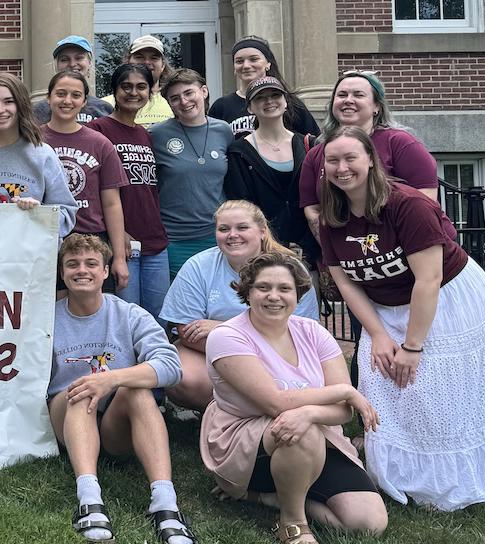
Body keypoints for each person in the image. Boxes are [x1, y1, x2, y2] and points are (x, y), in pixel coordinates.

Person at [319, 127, 485, 511]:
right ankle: (403, 475)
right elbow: (347, 285)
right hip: (384, 306)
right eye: (333, 160)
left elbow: (428, 280)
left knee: (436, 384)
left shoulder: (407, 204)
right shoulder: (332, 217)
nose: (342, 168)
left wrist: (413, 346)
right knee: (384, 378)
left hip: (445, 296)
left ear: (370, 161)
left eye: (350, 158)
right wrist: (377, 335)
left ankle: (457, 478)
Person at [201, 252, 387, 543]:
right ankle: (293, 522)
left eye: (284, 289)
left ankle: (268, 497)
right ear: (247, 291)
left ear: (297, 294)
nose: (274, 296)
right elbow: (275, 403)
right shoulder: (227, 336)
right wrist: (345, 391)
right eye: (263, 287)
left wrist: (312, 412)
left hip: (317, 435)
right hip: (245, 440)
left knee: (367, 523)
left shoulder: (314, 332)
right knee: (299, 427)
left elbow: (343, 412)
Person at [47, 234, 195, 544]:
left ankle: (165, 504)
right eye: (72, 264)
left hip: (116, 424)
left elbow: (171, 366)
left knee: (137, 390)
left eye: (91, 263)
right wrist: (95, 382)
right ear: (62, 273)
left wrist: (113, 378)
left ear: (105, 272)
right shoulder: (46, 317)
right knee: (83, 388)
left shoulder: (129, 314)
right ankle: (89, 500)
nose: (81, 270)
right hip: (67, 413)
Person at [162, 201, 321, 413]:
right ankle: (236, 412)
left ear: (263, 231)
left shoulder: (290, 268)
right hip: (215, 356)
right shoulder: (198, 266)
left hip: (278, 353)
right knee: (185, 377)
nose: (232, 235)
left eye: (242, 227)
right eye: (224, 229)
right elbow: (187, 332)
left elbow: (302, 333)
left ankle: (253, 409)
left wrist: (222, 328)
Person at [300, 71, 455, 242]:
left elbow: (425, 201)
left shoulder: (400, 143)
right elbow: (313, 209)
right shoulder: (316, 154)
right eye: (342, 95)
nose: (348, 100)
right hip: (353, 256)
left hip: (419, 249)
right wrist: (338, 250)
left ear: (376, 107)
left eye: (358, 95)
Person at [0, 72, 78, 237]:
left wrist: (39, 214)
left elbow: (67, 214)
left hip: (29, 257)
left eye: (8, 102)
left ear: (21, 104)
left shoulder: (42, 154)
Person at [89, 64, 170, 316]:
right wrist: (118, 232)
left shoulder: (146, 135)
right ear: (114, 91)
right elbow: (92, 191)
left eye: (141, 87)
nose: (133, 92)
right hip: (121, 241)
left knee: (159, 319)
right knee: (126, 318)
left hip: (155, 240)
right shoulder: (97, 130)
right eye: (126, 86)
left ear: (151, 92)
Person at [42, 70, 130, 289]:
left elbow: (111, 203)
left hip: (93, 239)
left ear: (84, 101)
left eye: (75, 95)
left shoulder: (100, 144)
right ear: (49, 98)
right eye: (60, 94)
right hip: (46, 240)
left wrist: (118, 257)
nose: (67, 101)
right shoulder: (31, 141)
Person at [223, 77, 319, 262]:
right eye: (260, 98)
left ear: (285, 102)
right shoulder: (239, 152)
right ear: (250, 107)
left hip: (309, 251)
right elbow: (243, 206)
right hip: (262, 252)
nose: (269, 101)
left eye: (275, 95)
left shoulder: (308, 145)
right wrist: (268, 244)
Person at [151, 68, 233, 277]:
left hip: (217, 234)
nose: (184, 102)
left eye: (189, 93)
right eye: (175, 98)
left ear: (203, 91)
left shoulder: (223, 131)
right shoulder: (156, 135)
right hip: (174, 238)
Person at [207, 37, 319, 138]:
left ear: (268, 64)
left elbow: (315, 145)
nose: (246, 66)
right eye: (239, 61)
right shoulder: (221, 107)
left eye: (254, 59)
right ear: (234, 68)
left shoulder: (290, 103)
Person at [34, 36, 113, 125]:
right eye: (64, 59)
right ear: (56, 65)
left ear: (90, 62)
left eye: (79, 58)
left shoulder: (105, 109)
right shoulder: (39, 110)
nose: (72, 64)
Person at [103, 35, 172, 127]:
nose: (147, 62)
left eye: (154, 58)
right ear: (128, 61)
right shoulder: (106, 104)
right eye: (140, 57)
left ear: (163, 65)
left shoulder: (175, 101)